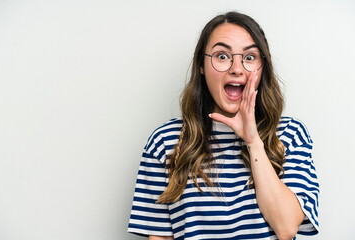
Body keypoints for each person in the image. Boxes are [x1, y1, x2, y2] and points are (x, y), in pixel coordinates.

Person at [128, 11, 319, 240]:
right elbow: (159, 237)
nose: (236, 68)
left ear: (262, 67)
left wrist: (252, 141)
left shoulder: (290, 135)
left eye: (249, 57)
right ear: (201, 65)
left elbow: (286, 227)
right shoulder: (165, 141)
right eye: (222, 56)